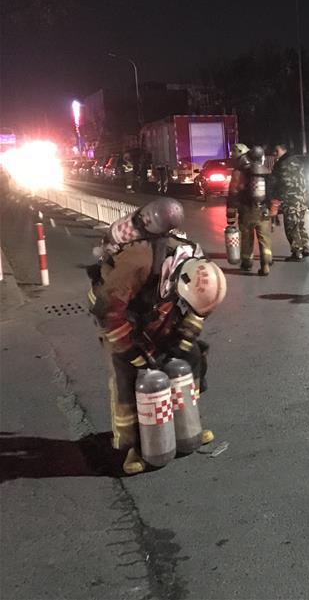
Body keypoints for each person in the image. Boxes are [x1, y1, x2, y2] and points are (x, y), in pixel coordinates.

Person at [86, 198, 226, 475]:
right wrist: (130, 350)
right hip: (122, 316)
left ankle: (187, 425)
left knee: (191, 357)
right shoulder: (138, 261)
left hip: (160, 315)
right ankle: (130, 447)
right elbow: (109, 311)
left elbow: (198, 308)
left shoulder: (194, 262)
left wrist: (186, 335)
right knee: (128, 379)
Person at [226, 145, 273, 276]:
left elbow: (233, 193)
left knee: (247, 237)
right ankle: (266, 263)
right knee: (264, 238)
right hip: (263, 209)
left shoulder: (238, 172)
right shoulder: (264, 171)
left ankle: (247, 262)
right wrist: (271, 209)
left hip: (246, 210)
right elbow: (272, 191)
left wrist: (230, 214)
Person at [268, 144, 309, 261]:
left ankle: (297, 251)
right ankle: (305, 246)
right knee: (300, 223)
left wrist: (273, 200)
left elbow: (274, 184)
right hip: (303, 198)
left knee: (291, 225)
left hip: (290, 199)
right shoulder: (298, 162)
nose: (274, 153)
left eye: (276, 150)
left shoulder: (279, 165)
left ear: (283, 149)